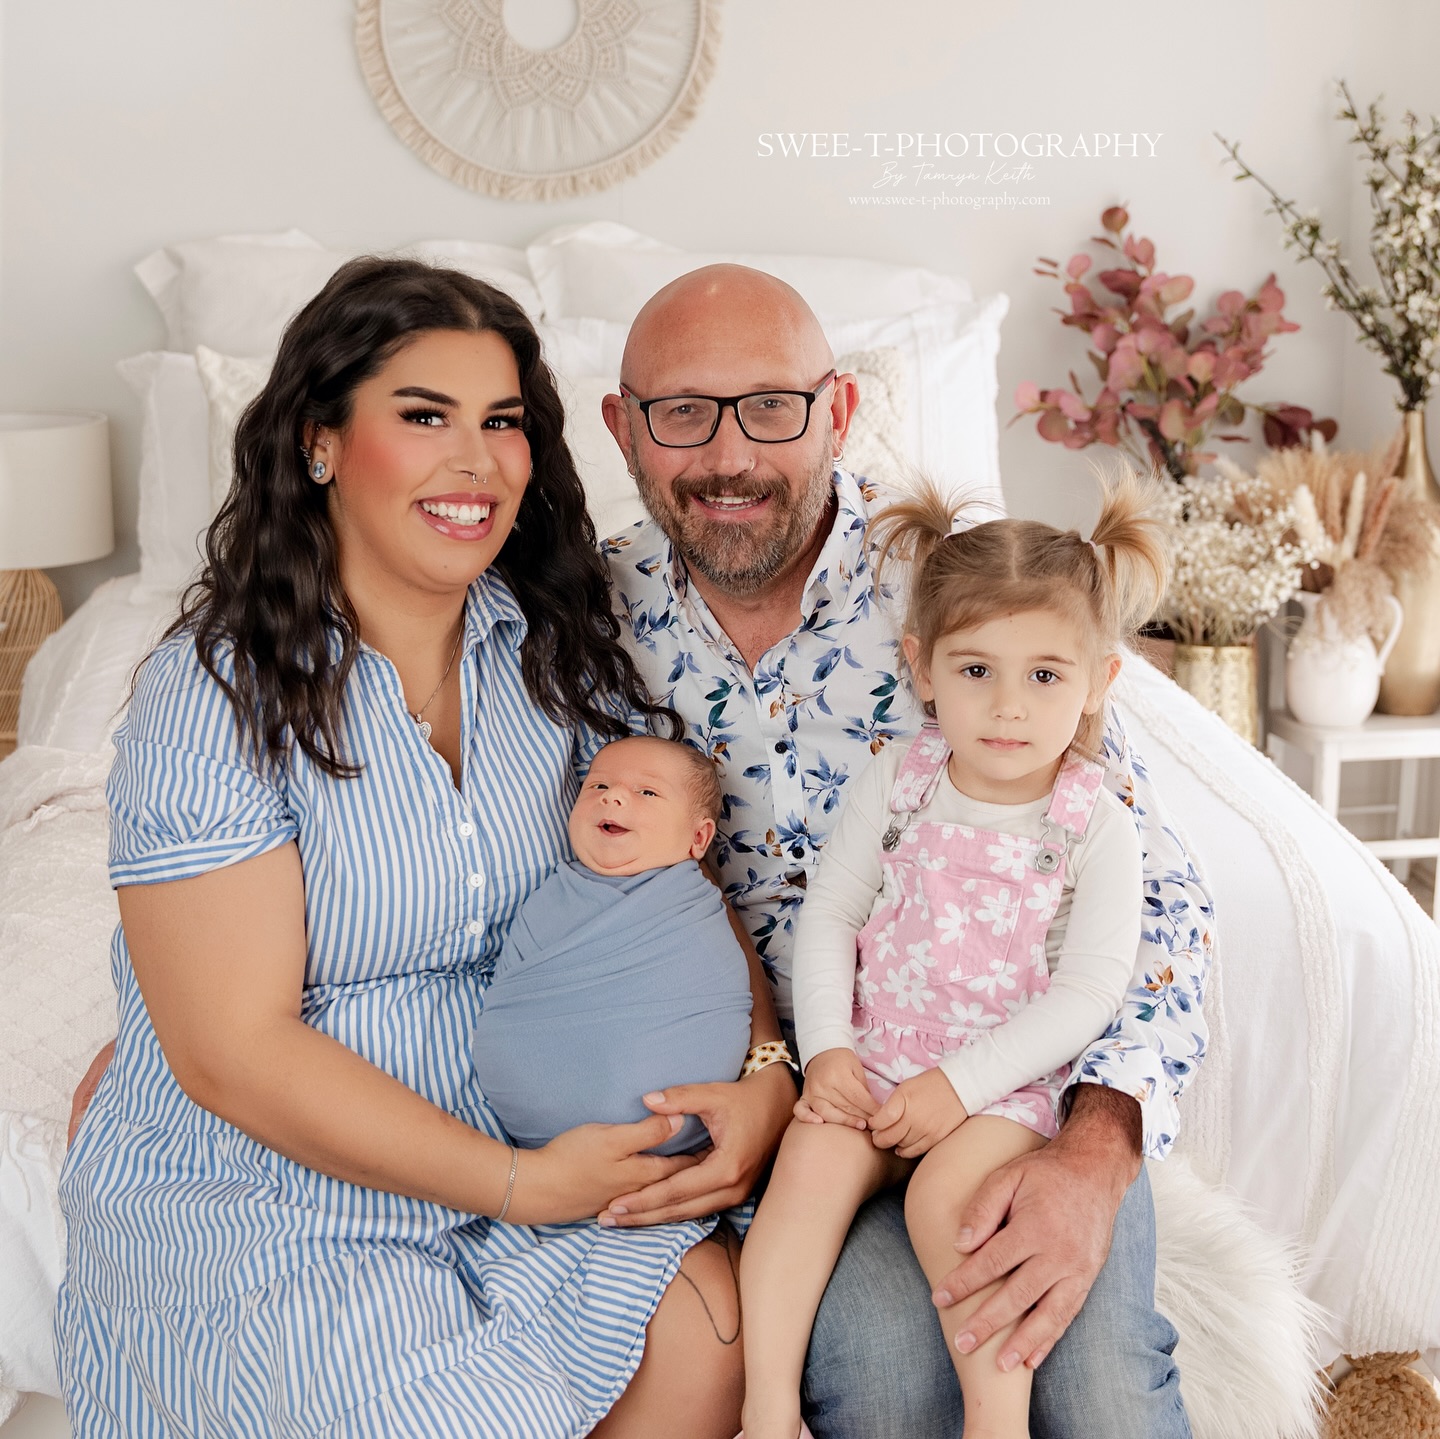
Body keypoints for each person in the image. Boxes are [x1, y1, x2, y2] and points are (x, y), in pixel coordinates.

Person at [56, 257, 793, 1438]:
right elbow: (234, 1051)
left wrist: (765, 1078)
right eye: (423, 417)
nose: (476, 461)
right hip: (286, 1184)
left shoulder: (562, 654)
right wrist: (518, 1183)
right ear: (321, 444)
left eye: (501, 422)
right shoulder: (215, 695)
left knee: (709, 1328)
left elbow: (670, 892)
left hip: (536, 1149)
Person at [597, 264, 1210, 1438]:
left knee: (1094, 1374)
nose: (730, 454)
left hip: (1013, 1083)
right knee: (879, 1380)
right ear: (624, 427)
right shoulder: (590, 619)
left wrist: (1096, 1149)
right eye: (683, 411)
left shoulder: (981, 596)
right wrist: (789, 1063)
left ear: (839, 408)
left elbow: (1163, 912)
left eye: (771, 405)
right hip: (823, 1085)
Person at [738, 477, 1168, 1439]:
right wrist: (831, 1049)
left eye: (1046, 676)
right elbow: (833, 913)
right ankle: (766, 1410)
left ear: (1102, 679)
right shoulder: (901, 778)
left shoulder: (1093, 821)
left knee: (952, 1197)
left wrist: (959, 1084)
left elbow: (1091, 989)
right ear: (921, 666)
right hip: (878, 1056)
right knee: (806, 1170)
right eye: (976, 671)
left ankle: (995, 1418)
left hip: (995, 1084)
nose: (1008, 708)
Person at [472, 734, 755, 1156]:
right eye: (597, 786)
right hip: (527, 1138)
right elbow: (516, 995)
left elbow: (720, 992)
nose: (613, 797)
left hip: (676, 1119)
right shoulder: (551, 895)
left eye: (647, 791)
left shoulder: (692, 909)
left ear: (699, 838)